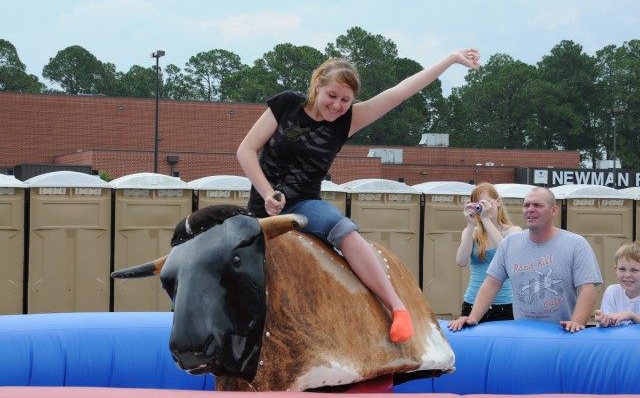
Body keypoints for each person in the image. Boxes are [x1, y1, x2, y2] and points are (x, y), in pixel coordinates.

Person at [237, 48, 481, 343]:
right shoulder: (287, 104)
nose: (337, 105)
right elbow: (246, 150)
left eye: (345, 100)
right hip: (261, 207)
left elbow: (399, 92)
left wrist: (450, 59)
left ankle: (397, 308)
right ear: (318, 85)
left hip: (303, 205)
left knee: (345, 230)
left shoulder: (346, 121)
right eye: (332, 96)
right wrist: (266, 193)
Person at [448, 187, 603, 333]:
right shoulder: (510, 243)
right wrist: (473, 318)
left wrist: (576, 323)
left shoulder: (576, 244)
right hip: (524, 335)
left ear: (553, 211)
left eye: (537, 205)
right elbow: (491, 283)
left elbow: (586, 290)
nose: (530, 209)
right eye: (526, 205)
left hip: (562, 333)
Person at [456, 183, 522, 322]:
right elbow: (461, 261)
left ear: (498, 202)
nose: (484, 208)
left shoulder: (513, 231)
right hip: (472, 303)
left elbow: (506, 255)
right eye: (479, 204)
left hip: (505, 306)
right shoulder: (472, 233)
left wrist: (486, 219)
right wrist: (470, 224)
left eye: (487, 203)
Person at [594, 240, 640, 327]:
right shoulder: (612, 292)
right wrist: (604, 321)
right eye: (622, 269)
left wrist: (632, 316)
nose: (627, 275)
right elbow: (608, 327)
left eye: (634, 270)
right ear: (616, 270)